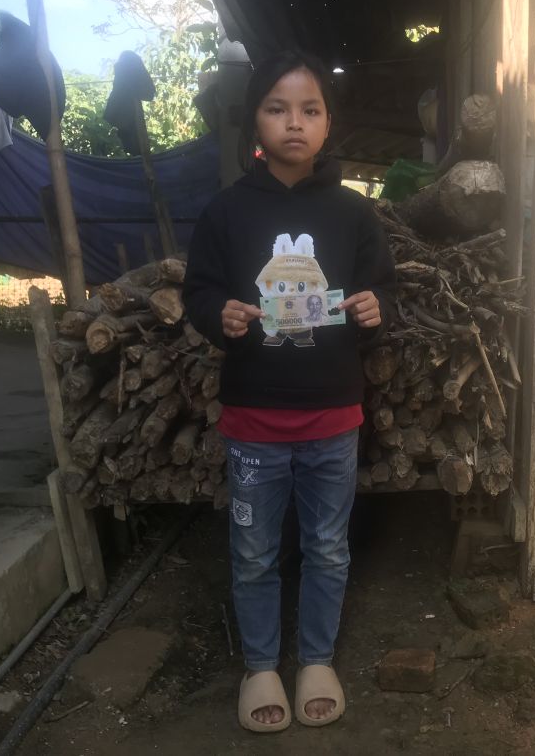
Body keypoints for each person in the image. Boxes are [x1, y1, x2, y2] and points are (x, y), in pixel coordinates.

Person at [183, 50, 396, 733]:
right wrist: (218, 314)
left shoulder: (353, 214)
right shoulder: (225, 212)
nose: (294, 123)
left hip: (334, 418)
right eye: (277, 109)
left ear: (329, 123)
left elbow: (383, 287)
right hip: (253, 422)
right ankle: (260, 667)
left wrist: (376, 309)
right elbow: (199, 291)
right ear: (255, 120)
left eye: (310, 110)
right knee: (254, 553)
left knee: (328, 547)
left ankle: (317, 661)